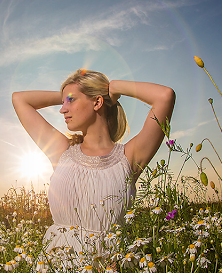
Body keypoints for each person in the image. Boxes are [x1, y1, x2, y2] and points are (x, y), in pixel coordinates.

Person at [12, 69, 175, 261]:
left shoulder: (129, 157)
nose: (62, 109)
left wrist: (114, 88)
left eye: (70, 101)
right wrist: (68, 94)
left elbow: (165, 97)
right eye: (64, 102)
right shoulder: (62, 152)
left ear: (97, 102)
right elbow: (19, 99)